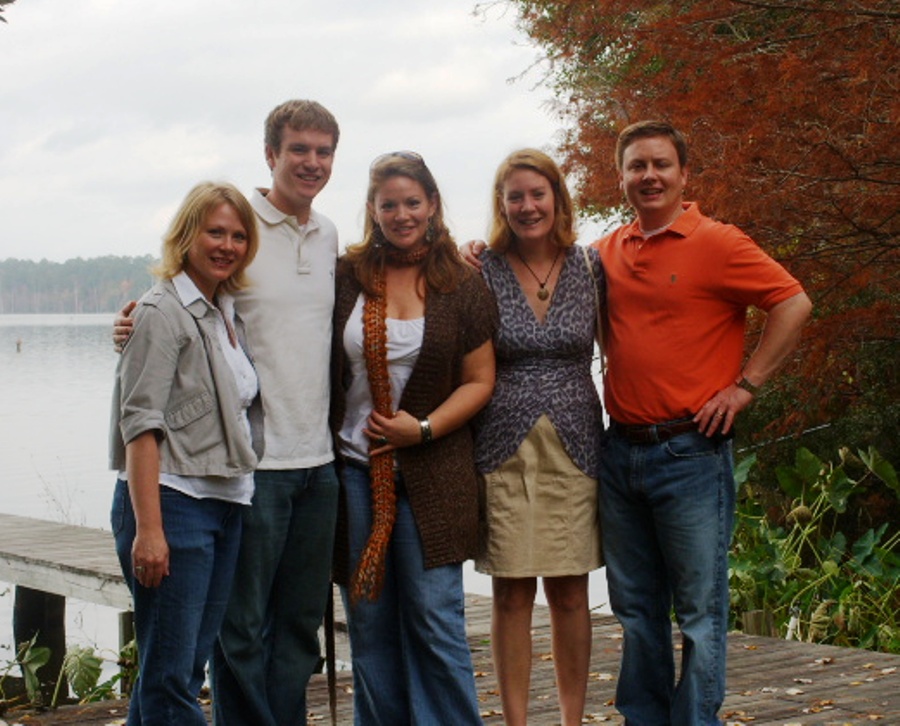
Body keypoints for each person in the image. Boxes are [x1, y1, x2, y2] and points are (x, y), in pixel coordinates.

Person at [115, 100, 342, 725]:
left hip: (317, 463)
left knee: (296, 630)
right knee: (231, 637)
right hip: (246, 469)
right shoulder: (235, 228)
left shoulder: (327, 236)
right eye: (299, 149)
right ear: (270, 153)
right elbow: (165, 333)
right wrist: (133, 327)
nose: (312, 163)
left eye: (324, 152)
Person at [594, 120, 812, 724]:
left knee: (698, 612)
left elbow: (793, 302)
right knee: (636, 609)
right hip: (620, 453)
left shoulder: (718, 242)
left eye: (661, 164)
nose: (649, 176)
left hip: (691, 451)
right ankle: (644, 718)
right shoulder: (606, 252)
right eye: (637, 166)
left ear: (684, 174)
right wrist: (477, 252)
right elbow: (541, 282)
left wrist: (745, 387)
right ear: (621, 178)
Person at [330, 151, 497, 724]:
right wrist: (142, 315)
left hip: (436, 475)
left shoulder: (461, 283)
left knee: (434, 620)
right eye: (388, 204)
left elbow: (480, 381)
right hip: (356, 474)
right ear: (373, 211)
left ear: (432, 205)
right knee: (369, 621)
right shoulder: (347, 275)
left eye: (411, 202)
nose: (401, 214)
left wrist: (420, 429)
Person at [109, 181, 263, 725]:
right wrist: (150, 530)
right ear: (186, 235)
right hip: (173, 504)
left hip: (226, 501)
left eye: (239, 235)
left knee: (174, 670)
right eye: (214, 231)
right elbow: (140, 425)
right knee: (172, 682)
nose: (227, 245)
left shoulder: (225, 311)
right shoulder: (160, 311)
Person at [473, 149, 604, 726]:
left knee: (571, 592)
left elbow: (624, 347)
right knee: (511, 593)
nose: (527, 207)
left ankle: (572, 721)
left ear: (557, 198)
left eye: (537, 194)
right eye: (515, 196)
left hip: (575, 441)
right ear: (502, 205)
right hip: (503, 444)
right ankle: (517, 722)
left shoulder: (591, 267)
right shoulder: (481, 269)